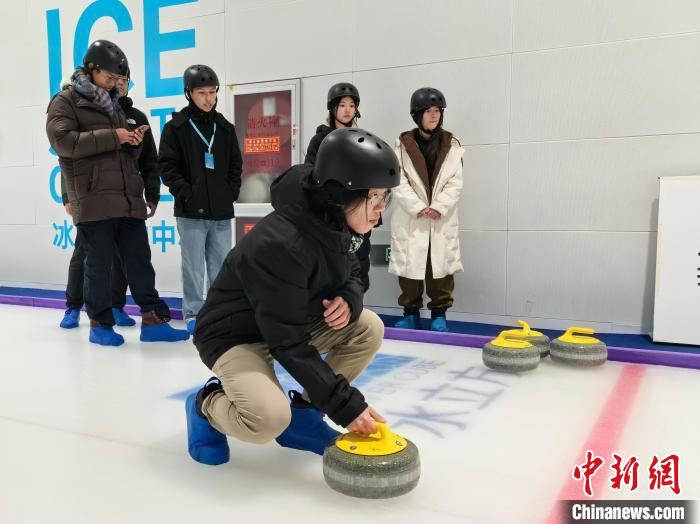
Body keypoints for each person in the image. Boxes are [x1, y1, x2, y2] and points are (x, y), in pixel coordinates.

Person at [185, 128, 399, 465]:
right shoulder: (281, 243)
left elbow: (355, 274)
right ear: (342, 192)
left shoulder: (342, 223)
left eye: (384, 198)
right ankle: (206, 403)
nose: (380, 210)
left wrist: (349, 297)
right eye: (374, 197)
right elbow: (288, 342)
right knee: (267, 419)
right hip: (234, 336)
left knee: (367, 326)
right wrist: (347, 405)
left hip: (286, 323)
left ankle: (303, 414)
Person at [46, 39, 189, 346]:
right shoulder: (65, 101)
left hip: (126, 198)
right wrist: (114, 136)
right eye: (109, 78)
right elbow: (63, 142)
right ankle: (100, 325)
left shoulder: (114, 106)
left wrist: (131, 142)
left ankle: (153, 319)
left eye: (118, 80)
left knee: (139, 260)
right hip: (93, 198)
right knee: (97, 266)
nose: (114, 84)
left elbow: (125, 153)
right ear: (91, 69)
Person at [58, 74, 161, 330]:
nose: (120, 84)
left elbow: (148, 160)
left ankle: (116, 306)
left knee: (124, 257)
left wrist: (152, 193)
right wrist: (69, 196)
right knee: (86, 255)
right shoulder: (85, 109)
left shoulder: (135, 117)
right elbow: (68, 158)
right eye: (116, 79)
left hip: (125, 199)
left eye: (125, 80)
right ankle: (73, 306)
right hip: (93, 199)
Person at [159, 65, 242, 335]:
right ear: (189, 94)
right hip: (191, 211)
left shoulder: (225, 128)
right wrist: (186, 192)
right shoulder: (176, 128)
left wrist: (229, 193)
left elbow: (235, 166)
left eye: (212, 93)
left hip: (220, 211)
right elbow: (167, 167)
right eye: (202, 93)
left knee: (220, 267)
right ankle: (193, 313)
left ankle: (217, 312)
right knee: (193, 267)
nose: (208, 99)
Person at [389, 87, 464, 332]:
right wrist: (419, 207)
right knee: (409, 266)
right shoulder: (402, 145)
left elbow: (456, 182)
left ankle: (439, 314)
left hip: (441, 217)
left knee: (440, 268)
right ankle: (410, 313)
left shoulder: (451, 144)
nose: (434, 116)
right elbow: (397, 180)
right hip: (412, 216)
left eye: (437, 111)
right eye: (428, 111)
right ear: (416, 114)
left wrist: (438, 207)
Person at [304, 82, 374, 291]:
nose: (347, 110)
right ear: (333, 108)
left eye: (352, 105)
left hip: (358, 210)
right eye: (342, 105)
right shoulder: (320, 140)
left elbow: (372, 175)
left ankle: (356, 305)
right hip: (330, 211)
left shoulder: (364, 138)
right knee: (330, 262)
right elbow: (309, 173)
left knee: (360, 261)